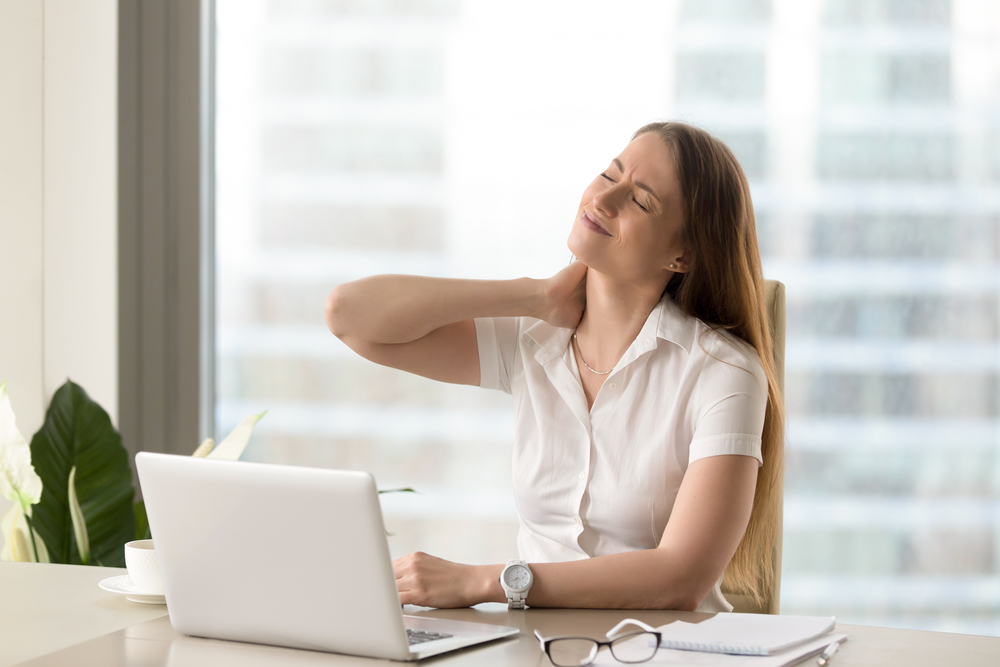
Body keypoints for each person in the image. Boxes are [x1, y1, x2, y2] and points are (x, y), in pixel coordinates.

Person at [324, 122, 784, 612]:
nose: (604, 201)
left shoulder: (723, 371)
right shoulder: (533, 338)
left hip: (662, 652)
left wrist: (486, 583)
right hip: (537, 646)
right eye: (610, 175)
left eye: (640, 201)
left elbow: (680, 578)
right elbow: (348, 316)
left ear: (682, 254)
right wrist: (534, 295)